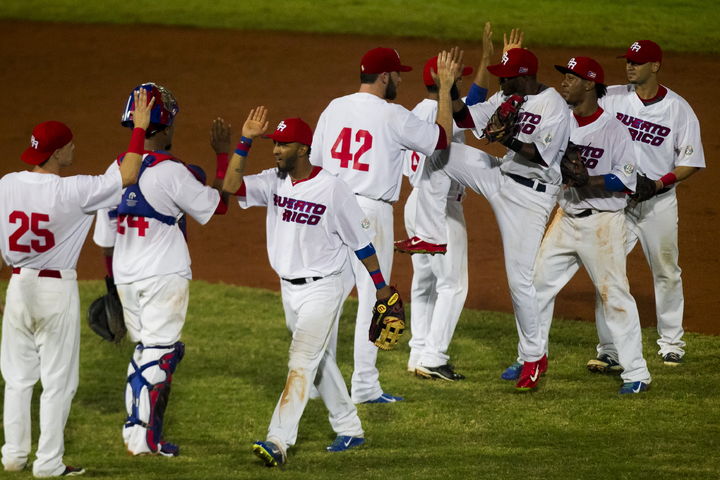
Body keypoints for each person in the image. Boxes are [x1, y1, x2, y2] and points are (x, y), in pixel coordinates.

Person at [214, 111, 397, 466]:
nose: (276, 150)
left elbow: (362, 243)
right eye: (275, 144)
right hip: (289, 289)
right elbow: (230, 186)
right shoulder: (273, 181)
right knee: (319, 358)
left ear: (303, 148)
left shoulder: (333, 188)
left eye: (283, 145)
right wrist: (244, 141)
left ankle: (278, 440)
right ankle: (350, 427)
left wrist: (380, 287)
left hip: (323, 288)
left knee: (300, 361)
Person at [0, 89, 153, 477]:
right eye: (69, 146)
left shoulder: (6, 185)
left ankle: (13, 457)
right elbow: (128, 174)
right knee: (58, 383)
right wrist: (139, 128)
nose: (74, 150)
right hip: (55, 291)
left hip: (18, 288)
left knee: (17, 379)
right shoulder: (72, 191)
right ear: (55, 153)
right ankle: (48, 463)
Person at [309, 48, 459, 403]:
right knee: (373, 299)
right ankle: (364, 386)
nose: (401, 80)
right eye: (397, 74)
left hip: (329, 208)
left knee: (328, 297)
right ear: (384, 77)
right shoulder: (393, 115)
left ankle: (318, 382)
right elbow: (441, 139)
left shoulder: (334, 107)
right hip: (369, 214)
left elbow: (315, 162)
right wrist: (445, 89)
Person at [92, 83, 230, 456]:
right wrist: (222, 156)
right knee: (161, 353)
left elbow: (105, 241)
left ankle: (136, 431)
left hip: (125, 275)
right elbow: (217, 206)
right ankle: (144, 439)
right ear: (165, 126)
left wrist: (111, 285)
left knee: (145, 352)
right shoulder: (171, 172)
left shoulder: (115, 170)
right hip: (162, 275)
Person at [439, 45, 571, 391]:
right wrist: (449, 88)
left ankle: (533, 356)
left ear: (524, 77)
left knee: (519, 282)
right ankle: (428, 229)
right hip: (499, 175)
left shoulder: (553, 106)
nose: (501, 82)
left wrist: (507, 137)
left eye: (507, 77)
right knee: (439, 152)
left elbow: (541, 156)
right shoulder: (507, 95)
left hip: (530, 199)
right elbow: (465, 118)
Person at [534, 56, 651, 394]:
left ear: (589, 84)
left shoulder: (614, 130)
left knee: (614, 295)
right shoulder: (560, 123)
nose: (563, 83)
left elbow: (627, 179)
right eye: (564, 76)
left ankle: (637, 373)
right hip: (565, 219)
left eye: (571, 77)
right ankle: (531, 359)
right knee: (536, 288)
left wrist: (590, 180)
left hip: (603, 223)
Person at [594, 40, 705, 367]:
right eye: (628, 61)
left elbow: (690, 161)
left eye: (637, 62)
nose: (630, 66)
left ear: (655, 66)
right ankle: (609, 349)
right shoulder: (612, 97)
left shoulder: (678, 109)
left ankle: (671, 343)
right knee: (608, 273)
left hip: (658, 203)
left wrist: (658, 183)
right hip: (618, 203)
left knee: (666, 271)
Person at [400, 52, 478, 380]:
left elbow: (471, 103)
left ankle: (418, 351)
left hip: (415, 203)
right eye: (457, 77)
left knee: (424, 281)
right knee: (453, 285)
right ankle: (433, 357)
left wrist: (488, 59)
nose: (462, 81)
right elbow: (470, 111)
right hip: (439, 208)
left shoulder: (416, 111)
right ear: (442, 79)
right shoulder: (441, 113)